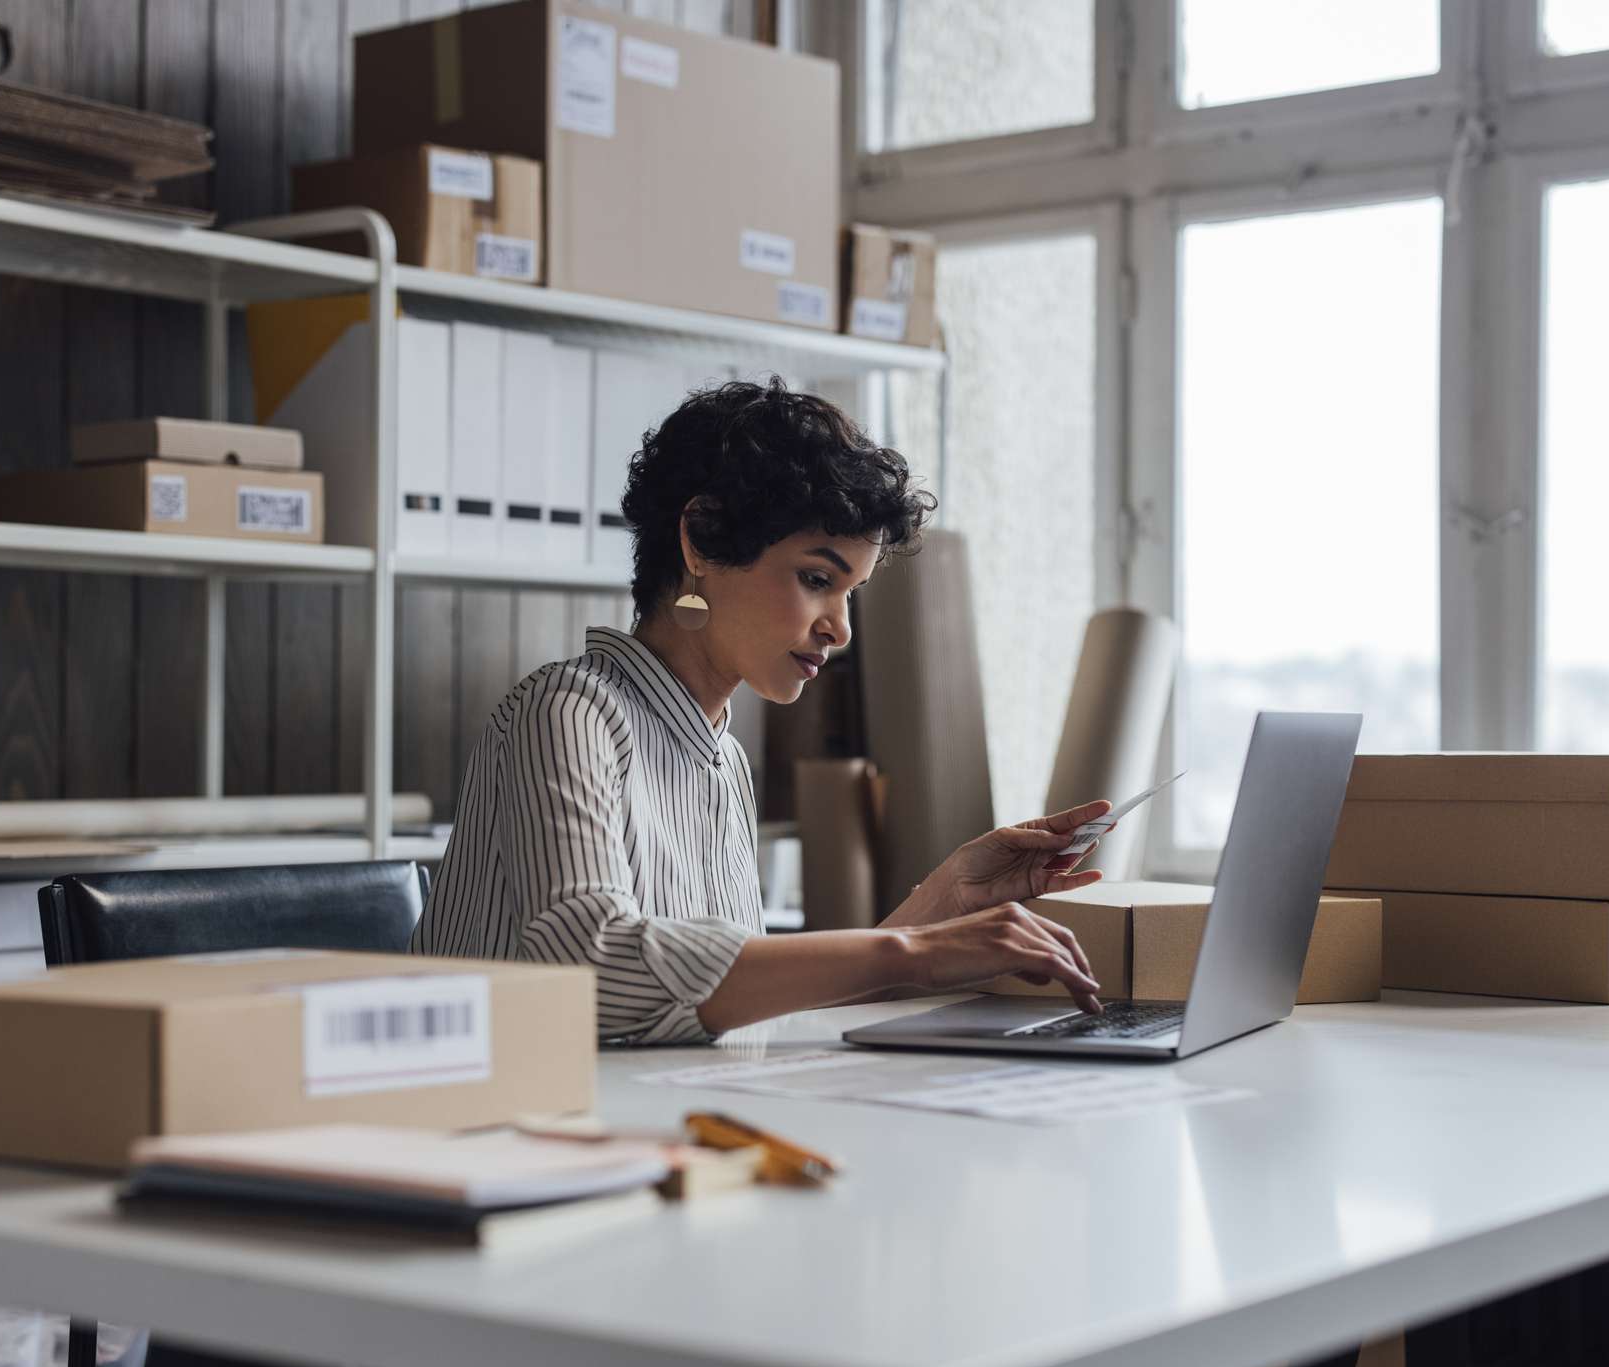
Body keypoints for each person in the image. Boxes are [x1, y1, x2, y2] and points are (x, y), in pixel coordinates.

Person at [411, 377, 1109, 1042]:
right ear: (703, 539)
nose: (841, 629)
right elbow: (594, 966)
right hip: (510, 1138)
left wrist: (948, 898)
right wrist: (914, 948)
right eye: (816, 580)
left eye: (850, 594)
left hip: (663, 1121)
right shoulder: (566, 713)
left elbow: (735, 1002)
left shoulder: (722, 759)